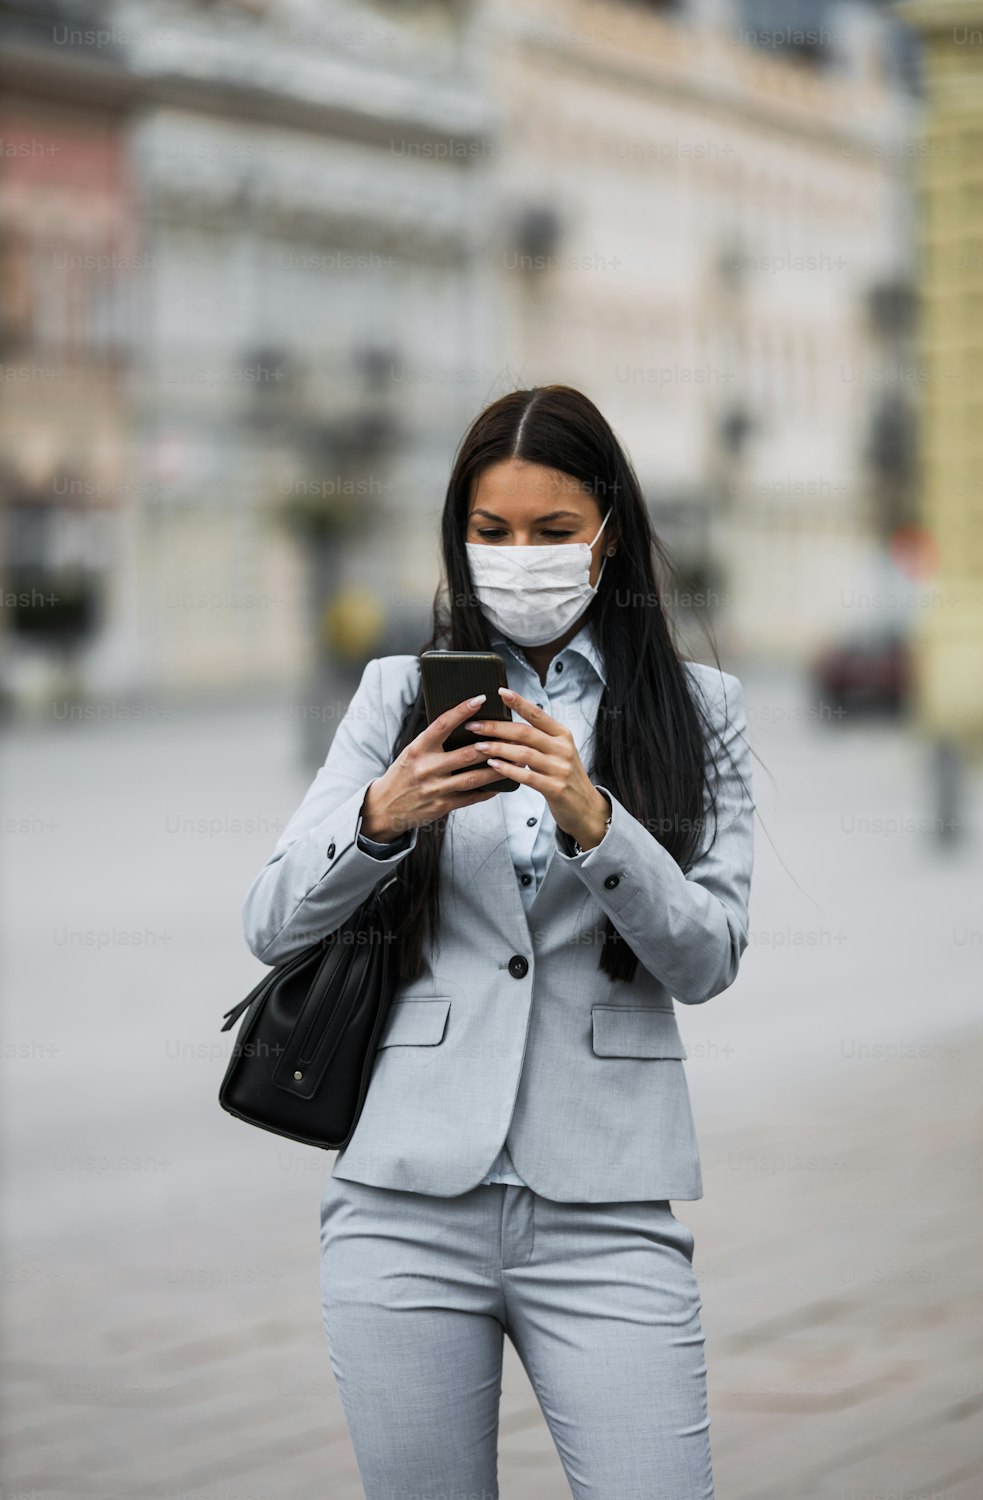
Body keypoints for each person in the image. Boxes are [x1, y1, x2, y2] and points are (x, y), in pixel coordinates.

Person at [242, 384, 756, 1500]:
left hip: (607, 1204)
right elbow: (271, 919)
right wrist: (382, 817)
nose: (519, 557)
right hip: (404, 1203)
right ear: (458, 537)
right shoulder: (394, 698)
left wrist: (598, 823)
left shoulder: (696, 709)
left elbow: (708, 955)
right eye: (492, 533)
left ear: (609, 535)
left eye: (553, 532)